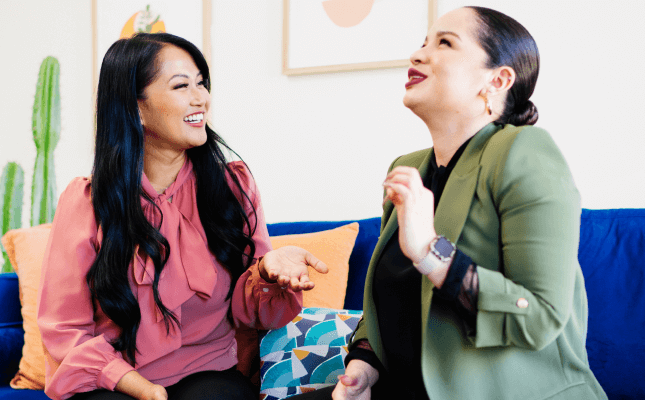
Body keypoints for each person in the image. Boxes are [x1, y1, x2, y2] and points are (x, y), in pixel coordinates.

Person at [293, 6, 607, 400]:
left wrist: (430, 251)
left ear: (498, 79)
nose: (418, 55)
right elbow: (390, 300)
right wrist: (365, 367)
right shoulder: (407, 168)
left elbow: (539, 317)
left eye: (445, 43)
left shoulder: (525, 151)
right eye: (423, 43)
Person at [37, 32, 328, 400]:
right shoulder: (87, 201)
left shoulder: (233, 185)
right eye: (181, 86)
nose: (200, 98)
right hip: (114, 378)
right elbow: (65, 328)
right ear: (136, 107)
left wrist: (268, 272)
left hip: (207, 371)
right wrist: (142, 389)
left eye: (202, 84)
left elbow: (252, 314)